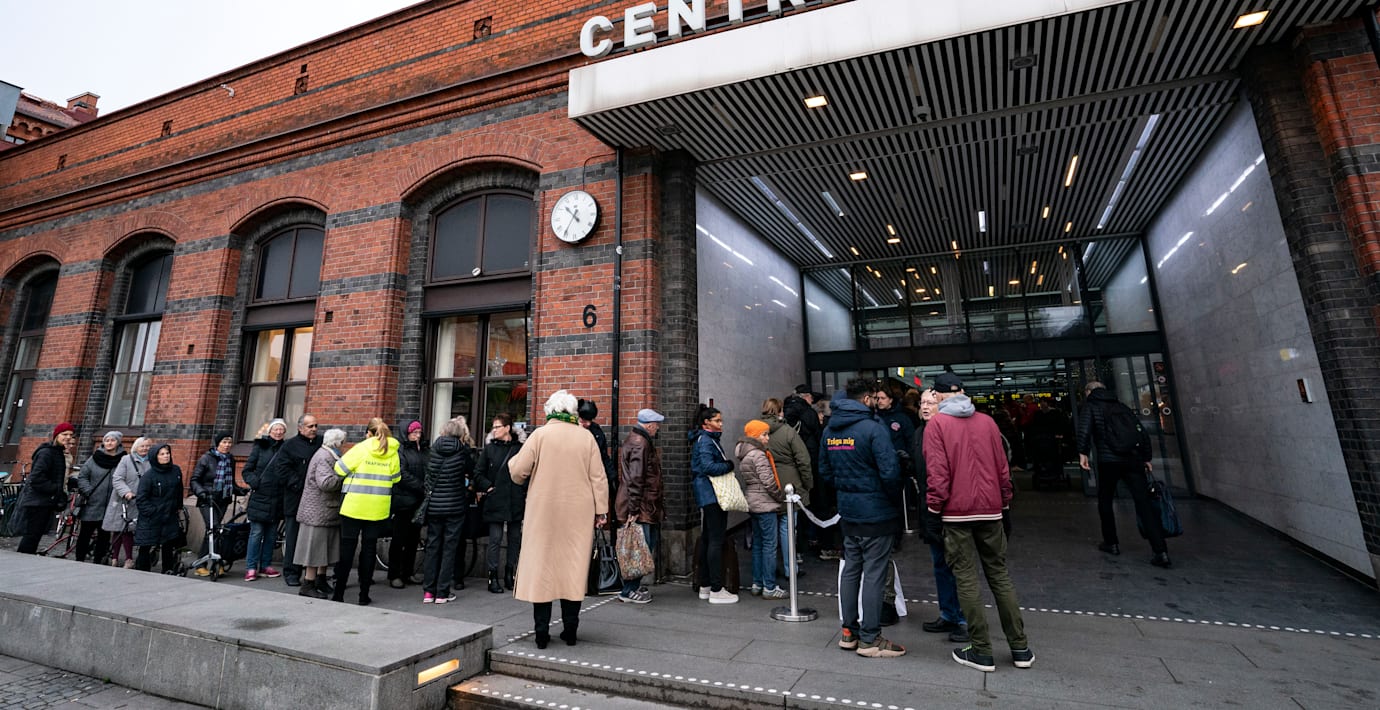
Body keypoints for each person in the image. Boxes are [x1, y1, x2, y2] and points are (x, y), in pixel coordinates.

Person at [924, 372, 1032, 672]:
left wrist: (933, 510)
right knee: (1000, 575)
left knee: (966, 578)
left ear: (940, 396)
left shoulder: (937, 425)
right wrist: (1005, 502)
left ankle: (982, 650)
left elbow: (938, 474)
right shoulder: (987, 422)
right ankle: (1020, 648)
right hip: (991, 509)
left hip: (956, 512)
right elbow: (1002, 467)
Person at [507, 390, 609, 649]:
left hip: (543, 511)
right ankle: (570, 631)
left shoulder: (540, 435)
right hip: (579, 513)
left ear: (550, 411)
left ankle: (541, 633)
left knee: (542, 569)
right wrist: (601, 511)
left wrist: (512, 464)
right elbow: (598, 477)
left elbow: (518, 472)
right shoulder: (586, 437)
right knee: (572, 570)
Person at [818, 380, 905, 658]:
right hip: (876, 511)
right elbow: (890, 472)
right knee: (875, 574)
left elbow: (824, 471)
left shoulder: (830, 430)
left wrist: (847, 488)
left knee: (851, 569)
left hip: (848, 510)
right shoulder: (873, 428)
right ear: (866, 399)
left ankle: (848, 632)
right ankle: (869, 638)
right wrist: (892, 498)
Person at [1077, 381, 1170, 568]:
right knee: (1144, 503)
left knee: (1105, 501)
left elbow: (1084, 430)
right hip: (1132, 460)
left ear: (1088, 392)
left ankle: (1111, 542)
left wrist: (1082, 453)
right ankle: (1160, 550)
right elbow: (1141, 432)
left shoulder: (1091, 406)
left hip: (1108, 461)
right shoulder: (1121, 406)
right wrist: (1146, 457)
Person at [910, 388, 969, 643]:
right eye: (922, 402)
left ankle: (965, 619)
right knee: (940, 565)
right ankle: (948, 614)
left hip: (951, 509)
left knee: (958, 566)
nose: (925, 407)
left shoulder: (950, 430)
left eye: (930, 402)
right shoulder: (919, 433)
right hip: (929, 508)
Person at [332, 417, 401, 606]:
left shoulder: (361, 448)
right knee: (369, 550)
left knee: (347, 550)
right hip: (377, 508)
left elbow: (339, 469)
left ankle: (339, 593)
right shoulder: (392, 452)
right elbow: (396, 478)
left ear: (369, 433)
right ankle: (364, 595)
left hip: (353, 506)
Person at [418, 416, 473, 604]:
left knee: (433, 546)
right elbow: (471, 471)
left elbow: (427, 476)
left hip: (434, 506)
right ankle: (442, 592)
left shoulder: (433, 451)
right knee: (449, 548)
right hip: (455, 506)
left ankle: (428, 592)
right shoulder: (463, 452)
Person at [690, 404, 738, 605]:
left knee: (708, 538)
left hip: (707, 494)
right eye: (717, 420)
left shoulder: (704, 439)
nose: (721, 424)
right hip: (713, 494)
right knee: (715, 540)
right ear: (706, 423)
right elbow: (709, 467)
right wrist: (728, 465)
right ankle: (716, 589)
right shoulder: (706, 441)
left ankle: (706, 586)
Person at [615, 408, 664, 604]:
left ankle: (632, 587)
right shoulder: (640, 443)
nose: (658, 428)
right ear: (650, 425)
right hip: (641, 506)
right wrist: (634, 509)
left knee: (640, 547)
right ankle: (629, 590)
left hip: (641, 504)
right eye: (656, 425)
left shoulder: (636, 439)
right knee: (641, 548)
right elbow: (636, 478)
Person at [760, 398, 812, 581]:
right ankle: (791, 569)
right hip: (789, 484)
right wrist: (808, 484)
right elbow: (804, 460)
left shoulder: (756, 431)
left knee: (767, 533)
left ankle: (768, 571)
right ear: (780, 411)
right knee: (788, 528)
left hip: (765, 483)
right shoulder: (788, 431)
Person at [474, 412, 525, 594]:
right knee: (495, 539)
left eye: (497, 427)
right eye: (493, 427)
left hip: (514, 498)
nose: (494, 430)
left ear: (507, 428)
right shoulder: (489, 449)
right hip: (495, 499)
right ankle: (493, 576)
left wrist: (523, 490)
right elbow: (478, 473)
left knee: (514, 538)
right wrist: (488, 487)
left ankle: (510, 574)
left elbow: (527, 471)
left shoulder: (519, 448)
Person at [737, 419, 787, 599]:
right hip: (765, 503)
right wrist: (779, 496)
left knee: (758, 544)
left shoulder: (744, 453)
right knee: (769, 546)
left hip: (753, 502)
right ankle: (770, 587)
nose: (767, 438)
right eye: (764, 434)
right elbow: (768, 482)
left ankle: (757, 583)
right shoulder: (758, 455)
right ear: (755, 436)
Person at [271, 414, 322, 587]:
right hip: (296, 498)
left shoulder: (321, 443)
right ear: (300, 428)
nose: (314, 429)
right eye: (310, 426)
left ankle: (313, 574)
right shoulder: (290, 445)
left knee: (314, 538)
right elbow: (281, 470)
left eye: (315, 426)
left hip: (317, 500)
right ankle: (291, 572)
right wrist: (299, 484)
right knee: (293, 536)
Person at [296, 428, 346, 598]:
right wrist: (344, 476)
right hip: (318, 511)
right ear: (337, 443)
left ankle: (320, 579)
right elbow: (326, 483)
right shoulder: (325, 456)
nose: (343, 445)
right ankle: (308, 584)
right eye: (342, 442)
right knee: (315, 548)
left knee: (325, 548)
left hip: (325, 510)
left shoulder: (327, 454)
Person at [16, 422, 77, 554]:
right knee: (32, 535)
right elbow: (36, 478)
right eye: (64, 434)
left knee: (36, 535)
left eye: (70, 435)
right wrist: (56, 489)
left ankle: (27, 557)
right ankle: (23, 558)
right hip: (37, 501)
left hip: (45, 501)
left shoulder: (58, 453)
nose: (68, 437)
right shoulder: (47, 453)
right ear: (57, 435)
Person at [189, 432, 242, 576]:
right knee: (213, 529)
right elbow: (194, 479)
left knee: (216, 531)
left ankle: (213, 563)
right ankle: (204, 564)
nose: (227, 445)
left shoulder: (230, 459)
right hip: (207, 500)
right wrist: (201, 492)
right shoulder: (206, 459)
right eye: (224, 442)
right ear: (217, 444)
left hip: (222, 499)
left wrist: (239, 490)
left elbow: (230, 482)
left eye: (229, 442)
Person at [242, 418, 287, 581]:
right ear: (270, 431)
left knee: (271, 535)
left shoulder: (286, 448)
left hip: (277, 497)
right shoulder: (260, 447)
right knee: (256, 533)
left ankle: (266, 565)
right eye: (276, 429)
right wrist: (255, 482)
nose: (279, 432)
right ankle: (251, 567)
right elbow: (247, 470)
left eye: (282, 429)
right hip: (260, 497)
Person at [75, 431, 125, 564]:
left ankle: (99, 561)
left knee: (104, 535)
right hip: (93, 502)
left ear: (118, 442)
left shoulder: (123, 459)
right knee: (85, 533)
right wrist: (88, 491)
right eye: (107, 440)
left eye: (112, 440)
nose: (109, 443)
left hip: (112, 504)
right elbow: (83, 476)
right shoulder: (94, 458)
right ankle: (79, 559)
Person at [389, 420, 428, 589]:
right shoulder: (400, 450)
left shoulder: (424, 449)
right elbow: (401, 473)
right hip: (404, 500)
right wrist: (421, 486)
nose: (417, 436)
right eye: (414, 433)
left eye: (419, 432)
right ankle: (394, 574)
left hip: (419, 500)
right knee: (399, 539)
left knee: (413, 538)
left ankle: (408, 572)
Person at [134, 444, 184, 573]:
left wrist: (178, 506)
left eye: (167, 453)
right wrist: (152, 511)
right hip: (152, 517)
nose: (166, 456)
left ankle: (167, 570)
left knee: (168, 544)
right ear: (155, 457)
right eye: (162, 454)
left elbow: (179, 490)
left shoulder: (176, 471)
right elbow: (141, 498)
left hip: (169, 515)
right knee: (146, 544)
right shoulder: (149, 476)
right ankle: (142, 571)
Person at [102, 436, 151, 567]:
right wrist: (126, 492)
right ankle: (115, 558)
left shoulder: (152, 461)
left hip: (140, 500)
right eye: (142, 446)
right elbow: (117, 478)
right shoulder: (126, 459)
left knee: (128, 529)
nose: (145, 448)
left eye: (147, 446)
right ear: (136, 447)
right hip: (123, 499)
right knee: (118, 528)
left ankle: (129, 559)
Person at [577, 399, 616, 505]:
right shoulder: (570, 431)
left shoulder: (596, 430)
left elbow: (603, 456)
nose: (588, 423)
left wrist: (612, 477)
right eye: (584, 420)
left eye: (590, 420)